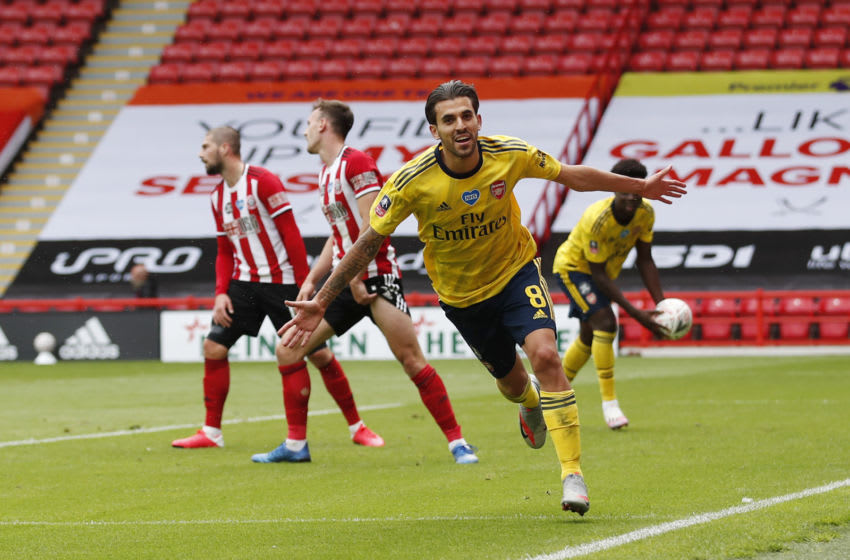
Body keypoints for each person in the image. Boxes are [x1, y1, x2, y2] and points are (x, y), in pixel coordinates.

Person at [278, 80, 686, 515]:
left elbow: (571, 175)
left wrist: (638, 187)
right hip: (463, 297)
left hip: (516, 274)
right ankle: (530, 402)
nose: (460, 125)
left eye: (466, 116)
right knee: (512, 386)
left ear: (478, 120)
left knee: (546, 356)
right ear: (434, 131)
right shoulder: (411, 181)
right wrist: (323, 299)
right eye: (448, 120)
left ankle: (572, 473)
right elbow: (367, 241)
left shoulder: (509, 153)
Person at [251, 99, 478, 465]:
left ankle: (458, 443)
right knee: (288, 350)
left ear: (323, 125)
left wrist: (357, 277)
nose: (304, 131)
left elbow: (371, 225)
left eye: (308, 123)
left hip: (376, 280)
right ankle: (295, 445)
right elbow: (338, 234)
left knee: (411, 360)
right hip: (345, 283)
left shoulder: (357, 163)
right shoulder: (326, 173)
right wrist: (312, 279)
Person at [171, 126, 384, 453]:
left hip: (281, 284)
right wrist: (220, 292)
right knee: (213, 347)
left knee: (318, 354)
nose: (201, 154)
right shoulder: (217, 197)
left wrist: (303, 286)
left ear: (225, 148)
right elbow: (225, 250)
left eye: (205, 146)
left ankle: (358, 427)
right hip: (244, 285)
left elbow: (291, 234)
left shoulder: (263, 181)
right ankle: (212, 432)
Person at [553, 159, 669, 431]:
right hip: (574, 269)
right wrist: (637, 314)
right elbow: (598, 275)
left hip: (601, 274)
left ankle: (552, 392)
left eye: (636, 191)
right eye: (624, 190)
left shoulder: (646, 213)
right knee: (606, 323)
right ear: (614, 189)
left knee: (588, 335)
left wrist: (662, 304)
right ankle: (610, 404)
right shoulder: (597, 219)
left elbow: (645, 260)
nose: (631, 197)